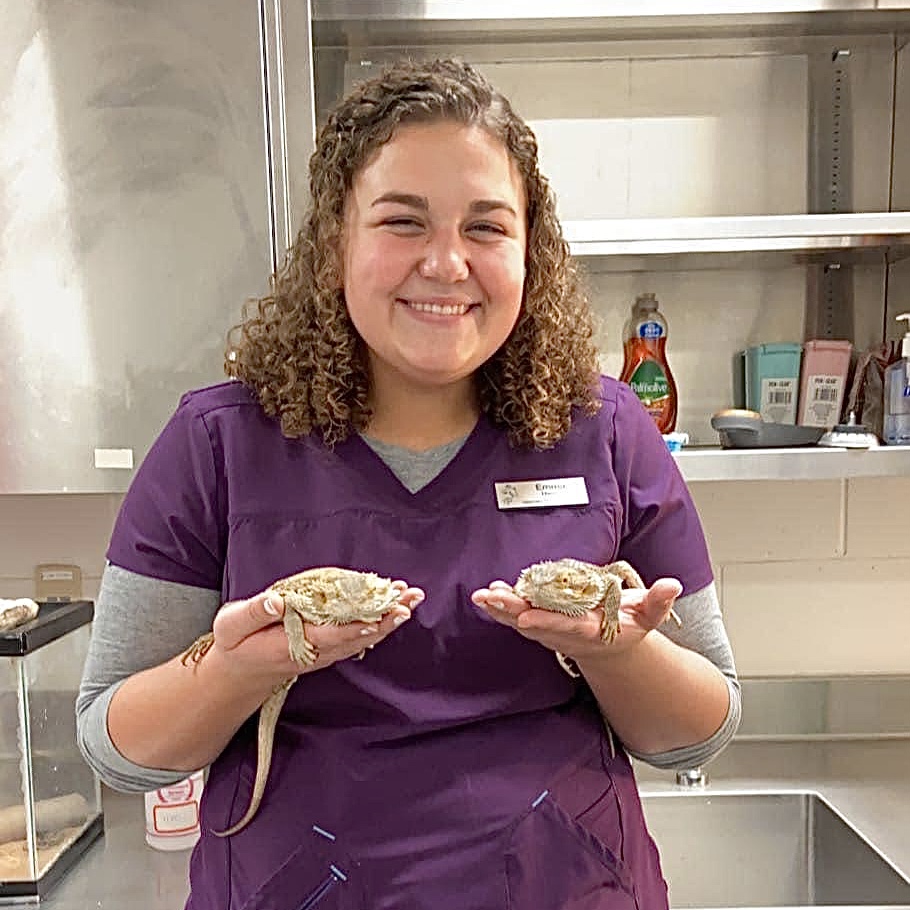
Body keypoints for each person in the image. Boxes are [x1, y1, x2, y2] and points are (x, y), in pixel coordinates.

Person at [77, 57, 741, 909]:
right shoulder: (217, 446)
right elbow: (116, 747)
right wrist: (235, 671)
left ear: (529, 252)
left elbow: (698, 734)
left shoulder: (607, 433)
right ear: (333, 248)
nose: (447, 263)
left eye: (487, 228)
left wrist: (616, 651)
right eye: (402, 221)